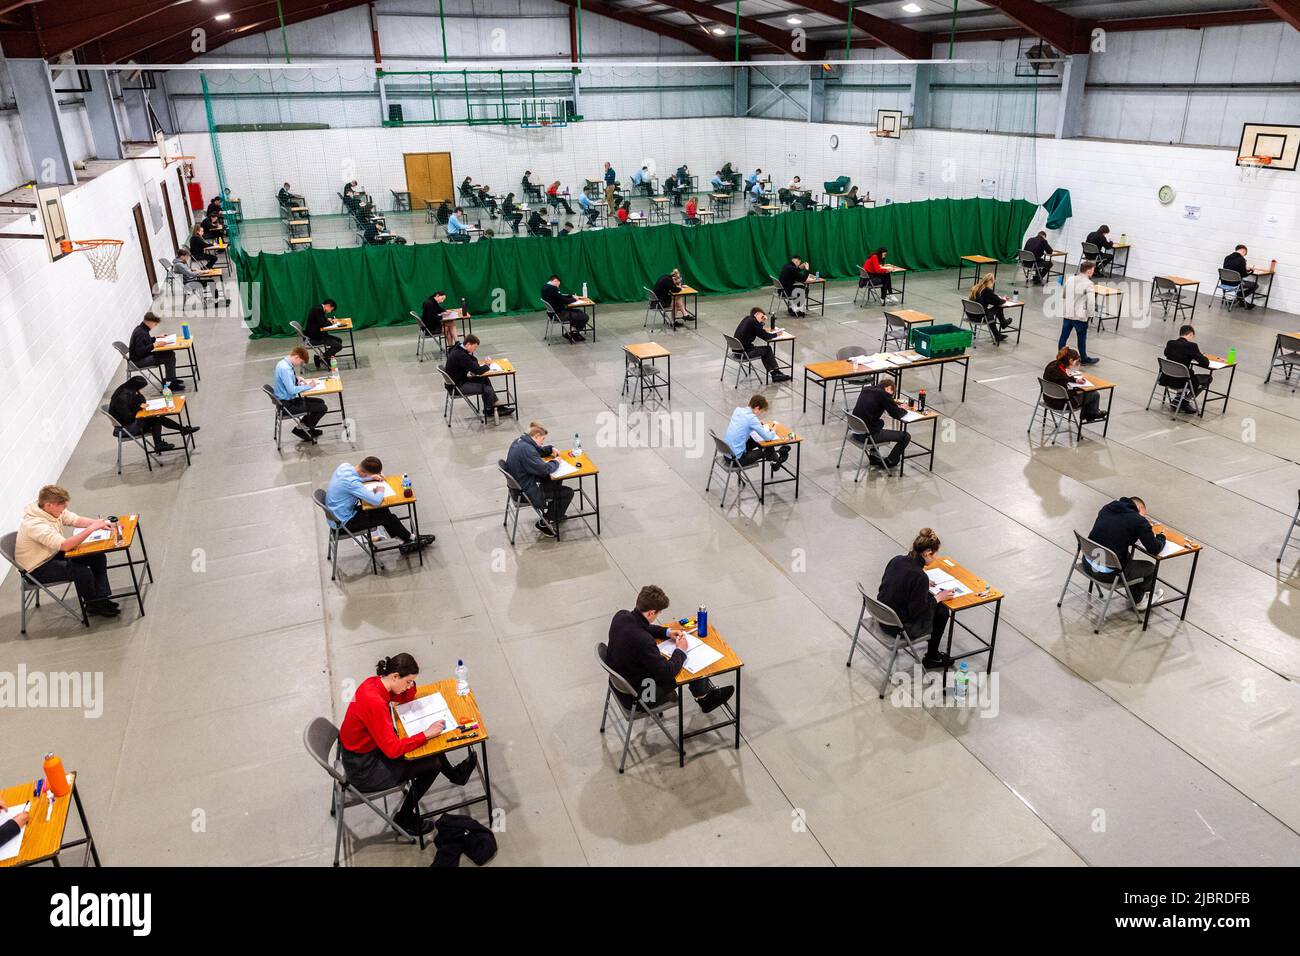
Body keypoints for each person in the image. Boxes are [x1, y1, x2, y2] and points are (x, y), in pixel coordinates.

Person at [338, 653, 476, 838]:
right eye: (409, 681)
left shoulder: (375, 683)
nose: (410, 686)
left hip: (366, 751)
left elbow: (406, 697)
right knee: (432, 763)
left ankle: (456, 776)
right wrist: (425, 733)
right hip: (364, 769)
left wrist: (408, 686)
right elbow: (393, 750)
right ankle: (403, 818)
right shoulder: (375, 702)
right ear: (395, 676)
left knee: (430, 746)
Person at [605, 585, 734, 714]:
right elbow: (667, 672)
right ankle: (704, 698)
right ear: (651, 613)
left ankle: (702, 695)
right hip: (642, 696)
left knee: (679, 661)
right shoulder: (643, 641)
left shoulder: (621, 616)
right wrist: (681, 650)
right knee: (687, 665)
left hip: (619, 684)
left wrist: (667, 632)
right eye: (658, 612)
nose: (659, 615)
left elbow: (643, 626)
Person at [15, 485, 119, 618]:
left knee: (97, 557)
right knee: (82, 572)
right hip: (38, 568)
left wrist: (102, 523)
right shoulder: (35, 525)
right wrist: (92, 528)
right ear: (49, 505)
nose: (64, 510)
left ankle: (101, 598)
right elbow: (64, 545)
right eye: (62, 507)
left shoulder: (50, 510)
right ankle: (92, 604)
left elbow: (75, 520)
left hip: (51, 554)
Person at [325, 457, 435, 556]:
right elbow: (376, 501)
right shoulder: (352, 484)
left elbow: (358, 479)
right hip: (343, 524)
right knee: (387, 517)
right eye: (367, 475)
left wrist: (371, 478)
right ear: (363, 473)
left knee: (383, 510)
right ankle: (412, 539)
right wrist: (380, 491)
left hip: (338, 514)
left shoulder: (345, 467)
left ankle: (405, 541)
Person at [878, 528, 954, 669]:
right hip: (898, 628)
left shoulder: (896, 560)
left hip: (881, 616)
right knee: (942, 611)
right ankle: (931, 656)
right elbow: (917, 612)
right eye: (934, 554)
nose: (935, 558)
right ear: (927, 553)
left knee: (933, 604)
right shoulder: (919, 576)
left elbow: (888, 586)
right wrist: (937, 597)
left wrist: (923, 583)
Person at [1085, 497, 1166, 609]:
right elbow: (1154, 548)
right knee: (1150, 567)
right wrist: (1162, 538)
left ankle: (1135, 595)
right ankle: (1139, 600)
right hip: (1107, 574)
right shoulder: (1138, 520)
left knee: (1127, 558)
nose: (1143, 518)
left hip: (1088, 564)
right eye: (1143, 515)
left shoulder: (1107, 508)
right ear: (1140, 508)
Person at [506, 422, 574, 536]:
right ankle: (545, 522)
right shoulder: (526, 450)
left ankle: (555, 513)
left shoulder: (521, 442)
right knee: (567, 492)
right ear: (536, 435)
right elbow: (545, 469)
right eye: (543, 439)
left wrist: (550, 449)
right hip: (525, 491)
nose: (543, 442)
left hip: (519, 485)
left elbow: (536, 451)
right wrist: (555, 461)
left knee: (556, 481)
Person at [109, 375, 198, 455]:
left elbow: (142, 401)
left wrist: (138, 394)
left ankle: (180, 430)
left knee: (156, 418)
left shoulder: (128, 390)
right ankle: (164, 441)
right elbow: (127, 418)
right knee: (156, 419)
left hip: (128, 422)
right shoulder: (123, 396)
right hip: (125, 428)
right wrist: (138, 407)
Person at [446, 334, 514, 422]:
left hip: (457, 381)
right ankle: (492, 409)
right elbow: (478, 370)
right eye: (474, 348)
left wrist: (475, 365)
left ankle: (493, 407)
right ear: (468, 344)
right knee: (487, 389)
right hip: (457, 386)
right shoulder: (461, 355)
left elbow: (472, 360)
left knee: (485, 379)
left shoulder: (458, 348)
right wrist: (488, 365)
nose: (474, 350)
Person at [849, 379, 911, 470]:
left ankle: (874, 456)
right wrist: (905, 409)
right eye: (891, 394)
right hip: (867, 436)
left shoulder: (866, 389)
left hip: (856, 431)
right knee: (906, 436)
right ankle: (891, 460)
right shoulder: (883, 394)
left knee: (880, 422)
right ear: (888, 388)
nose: (891, 397)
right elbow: (896, 414)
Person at [723, 393, 789, 474]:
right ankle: (777, 459)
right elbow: (767, 437)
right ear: (757, 408)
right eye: (761, 412)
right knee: (768, 448)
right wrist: (773, 431)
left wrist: (756, 424)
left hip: (727, 453)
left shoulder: (738, 410)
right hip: (737, 460)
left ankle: (775, 458)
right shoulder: (752, 419)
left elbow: (742, 425)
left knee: (755, 440)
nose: (760, 414)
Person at [273, 346, 327, 441]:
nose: (300, 364)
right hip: (287, 405)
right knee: (322, 408)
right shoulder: (285, 369)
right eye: (301, 362)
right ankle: (303, 430)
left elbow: (286, 381)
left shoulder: (283, 363)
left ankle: (303, 428)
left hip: (285, 401)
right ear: (297, 357)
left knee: (320, 402)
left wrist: (296, 379)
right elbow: (292, 390)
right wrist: (309, 386)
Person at [1042, 346, 1103, 422]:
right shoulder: (1061, 376)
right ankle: (1092, 414)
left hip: (1047, 398)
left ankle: (1089, 413)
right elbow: (1067, 394)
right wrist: (1078, 391)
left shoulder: (1053, 364)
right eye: (1076, 362)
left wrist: (1075, 380)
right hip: (1060, 403)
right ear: (1071, 361)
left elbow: (1066, 377)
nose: (1075, 365)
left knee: (1088, 394)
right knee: (1094, 394)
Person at [129, 311, 186, 392]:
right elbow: (140, 351)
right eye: (155, 324)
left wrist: (156, 337)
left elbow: (146, 342)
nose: (155, 326)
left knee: (169, 353)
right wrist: (155, 345)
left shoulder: (141, 329)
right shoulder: (141, 333)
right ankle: (170, 383)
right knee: (169, 356)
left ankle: (171, 379)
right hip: (139, 361)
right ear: (149, 322)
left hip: (141, 357)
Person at [1160, 324, 1212, 412]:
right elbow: (1205, 363)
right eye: (1192, 337)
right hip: (1182, 381)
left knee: (1182, 373)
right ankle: (1185, 401)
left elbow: (1166, 354)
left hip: (1167, 378)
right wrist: (1201, 356)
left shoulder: (1170, 343)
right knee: (1208, 378)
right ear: (1190, 334)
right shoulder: (1192, 346)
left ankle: (1177, 399)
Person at [1059, 260, 1099, 365]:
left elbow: (1064, 294)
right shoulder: (1089, 284)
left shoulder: (1070, 279)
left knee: (1064, 336)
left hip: (1068, 313)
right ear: (1089, 271)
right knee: (1081, 338)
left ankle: (1060, 356)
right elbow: (1091, 302)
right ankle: (1084, 358)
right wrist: (1091, 315)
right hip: (1080, 316)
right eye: (1093, 270)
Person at [733, 307, 789, 382]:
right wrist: (777, 334)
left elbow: (759, 329)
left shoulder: (747, 319)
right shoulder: (753, 322)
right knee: (767, 350)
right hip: (745, 353)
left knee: (764, 350)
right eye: (762, 317)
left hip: (737, 352)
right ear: (757, 314)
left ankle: (775, 373)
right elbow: (766, 337)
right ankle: (775, 374)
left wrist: (761, 322)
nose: (763, 318)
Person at [541, 275, 589, 342]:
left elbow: (559, 296)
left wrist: (571, 296)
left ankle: (573, 331)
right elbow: (565, 301)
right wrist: (575, 299)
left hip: (551, 313)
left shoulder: (545, 287)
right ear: (555, 281)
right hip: (558, 315)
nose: (558, 287)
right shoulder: (553, 288)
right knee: (584, 316)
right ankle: (574, 333)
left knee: (579, 312)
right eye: (558, 285)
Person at [969, 272, 1011, 344]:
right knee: (998, 307)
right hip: (980, 317)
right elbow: (998, 302)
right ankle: (1003, 323)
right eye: (993, 282)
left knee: (990, 316)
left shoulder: (977, 288)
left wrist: (997, 298)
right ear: (990, 281)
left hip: (971, 315)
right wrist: (1004, 299)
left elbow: (990, 299)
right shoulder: (987, 290)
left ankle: (997, 335)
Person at [304, 298, 342, 369]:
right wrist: (332, 322)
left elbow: (320, 320)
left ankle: (326, 358)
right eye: (331, 309)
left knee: (339, 340)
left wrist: (328, 319)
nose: (330, 311)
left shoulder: (318, 307)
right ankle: (321, 358)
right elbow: (322, 324)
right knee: (339, 346)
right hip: (315, 338)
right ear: (328, 305)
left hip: (315, 335)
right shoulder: (319, 310)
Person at [1223, 244, 1258, 309]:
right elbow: (1244, 275)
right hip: (1235, 283)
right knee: (1255, 285)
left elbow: (1230, 269)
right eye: (1245, 254)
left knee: (1242, 282)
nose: (1244, 256)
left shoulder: (1227, 257)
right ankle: (1239, 297)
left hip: (1225, 282)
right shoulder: (1242, 260)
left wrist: (1244, 268)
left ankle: (1237, 299)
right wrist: (1251, 271)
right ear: (1243, 251)